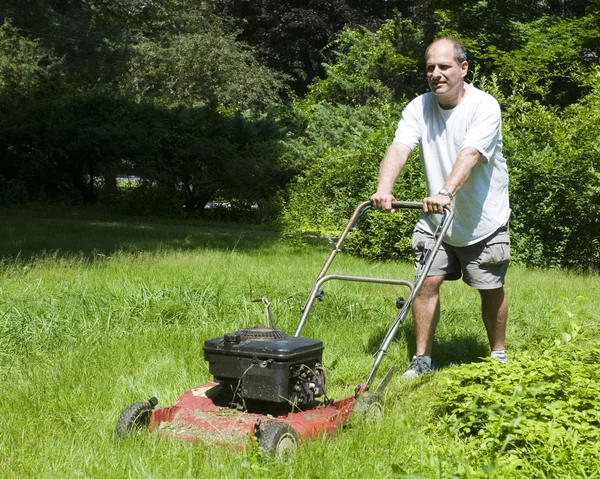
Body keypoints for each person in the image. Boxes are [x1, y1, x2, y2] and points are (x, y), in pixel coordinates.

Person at [371, 37, 510, 378]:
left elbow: (471, 154)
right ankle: (421, 360)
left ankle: (498, 353)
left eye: (444, 66)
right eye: (430, 67)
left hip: (483, 219)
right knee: (425, 284)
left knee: (489, 289)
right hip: (436, 220)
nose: (436, 73)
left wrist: (447, 191)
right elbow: (399, 147)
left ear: (463, 68)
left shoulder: (484, 106)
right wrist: (384, 189)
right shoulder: (418, 107)